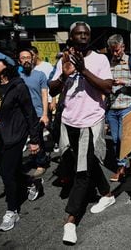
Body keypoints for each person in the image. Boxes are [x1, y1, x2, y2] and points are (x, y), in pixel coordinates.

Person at [49, 21, 115, 245]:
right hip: (69, 121)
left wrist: (83, 70)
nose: (83, 37)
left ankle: (70, 220)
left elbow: (107, 87)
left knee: (82, 170)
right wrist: (65, 75)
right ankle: (106, 194)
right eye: (79, 34)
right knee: (85, 160)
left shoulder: (99, 59)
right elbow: (52, 89)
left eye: (87, 33)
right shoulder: (64, 59)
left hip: (90, 121)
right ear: (71, 37)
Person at [0, 52, 41, 232]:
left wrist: (35, 140)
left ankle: (12, 211)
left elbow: (30, 113)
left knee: (7, 173)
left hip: (16, 134)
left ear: (6, 66)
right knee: (5, 171)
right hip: (2, 134)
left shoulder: (18, 87)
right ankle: (31, 181)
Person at [106, 34, 131, 181]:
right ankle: (125, 163)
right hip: (112, 106)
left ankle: (123, 165)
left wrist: (123, 81)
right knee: (115, 139)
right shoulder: (108, 62)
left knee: (123, 137)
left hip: (127, 104)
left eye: (117, 50)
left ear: (123, 47)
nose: (115, 53)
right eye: (112, 50)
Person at [18, 49, 49, 180]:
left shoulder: (40, 75)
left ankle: (41, 163)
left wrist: (45, 114)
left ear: (32, 58)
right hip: (19, 114)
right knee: (19, 139)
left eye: (28, 57)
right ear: (19, 61)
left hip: (36, 113)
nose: (26, 60)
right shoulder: (16, 75)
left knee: (37, 139)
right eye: (23, 58)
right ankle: (21, 163)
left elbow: (44, 94)